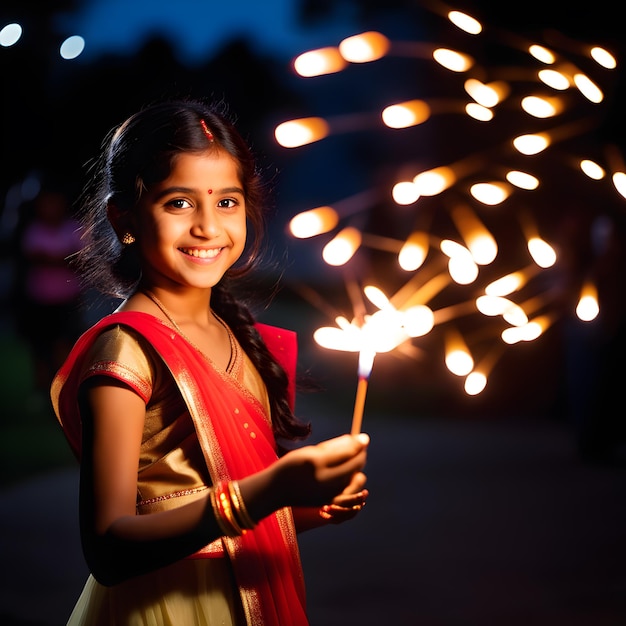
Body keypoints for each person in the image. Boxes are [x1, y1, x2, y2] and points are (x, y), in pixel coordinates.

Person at [50, 99, 369, 625]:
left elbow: (220, 498)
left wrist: (302, 507)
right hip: (166, 608)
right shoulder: (127, 351)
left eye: (227, 202)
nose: (206, 226)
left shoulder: (237, 337)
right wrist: (268, 490)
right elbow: (108, 549)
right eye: (179, 203)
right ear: (124, 218)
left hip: (247, 596)